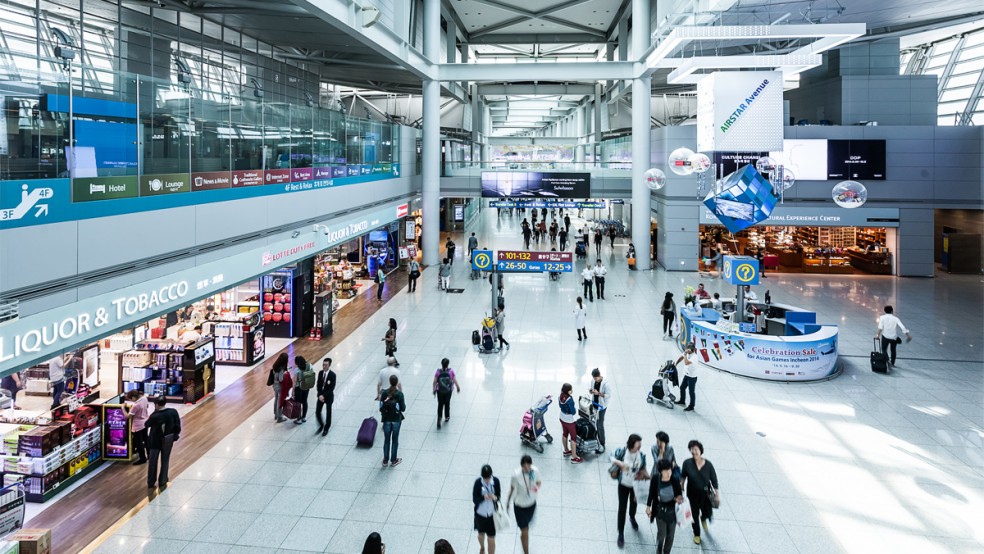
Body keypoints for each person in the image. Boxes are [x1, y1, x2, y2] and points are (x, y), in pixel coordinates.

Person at [610, 433, 647, 548]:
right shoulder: (622, 452)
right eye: (638, 444)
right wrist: (618, 463)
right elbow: (613, 458)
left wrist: (647, 479)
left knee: (634, 503)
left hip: (635, 485)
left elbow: (642, 468)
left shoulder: (641, 455)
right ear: (632, 444)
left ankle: (632, 517)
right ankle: (620, 533)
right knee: (622, 507)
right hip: (623, 484)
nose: (640, 446)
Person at [680, 440, 719, 545]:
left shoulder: (708, 465)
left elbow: (714, 481)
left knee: (706, 512)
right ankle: (697, 534)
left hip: (705, 495)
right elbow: (683, 476)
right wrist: (681, 486)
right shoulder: (687, 463)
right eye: (691, 449)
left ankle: (704, 519)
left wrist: (717, 495)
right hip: (692, 495)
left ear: (700, 451)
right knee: (694, 515)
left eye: (696, 449)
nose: (694, 451)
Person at [646, 458, 684, 554]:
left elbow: (679, 495)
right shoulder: (656, 479)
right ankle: (659, 550)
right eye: (666, 470)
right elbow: (651, 493)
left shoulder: (674, 480)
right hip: (660, 511)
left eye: (670, 470)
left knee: (670, 536)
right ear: (660, 471)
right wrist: (648, 506)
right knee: (662, 534)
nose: (668, 472)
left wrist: (678, 499)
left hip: (672, 512)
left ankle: (666, 552)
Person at [507, 455, 541, 554]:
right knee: (525, 530)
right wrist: (508, 502)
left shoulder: (535, 471)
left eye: (528, 466)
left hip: (531, 504)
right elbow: (512, 488)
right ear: (521, 466)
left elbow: (539, 482)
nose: (527, 469)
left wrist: (537, 488)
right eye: (524, 467)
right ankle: (526, 552)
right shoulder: (516, 475)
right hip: (520, 506)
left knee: (527, 527)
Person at [145, 395, 180, 488]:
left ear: (156, 404)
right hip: (168, 439)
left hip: (155, 441)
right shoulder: (173, 412)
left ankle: (151, 481)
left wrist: (154, 412)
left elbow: (146, 424)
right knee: (165, 460)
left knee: (153, 462)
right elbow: (177, 425)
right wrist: (175, 435)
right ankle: (163, 480)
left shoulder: (155, 416)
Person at [473, 464, 501, 554]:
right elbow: (474, 500)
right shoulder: (478, 483)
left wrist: (494, 497)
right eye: (485, 478)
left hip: (492, 514)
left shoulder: (496, 481)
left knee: (491, 537)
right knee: (481, 534)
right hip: (480, 514)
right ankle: (482, 547)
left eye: (488, 477)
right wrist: (483, 498)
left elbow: (499, 496)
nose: (487, 480)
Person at [380, 374, 406, 467]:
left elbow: (381, 407)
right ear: (397, 383)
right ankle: (394, 460)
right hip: (396, 420)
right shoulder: (399, 394)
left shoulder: (384, 393)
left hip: (386, 420)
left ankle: (385, 460)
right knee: (395, 440)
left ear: (390, 382)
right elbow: (403, 408)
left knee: (386, 440)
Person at [558, 383, 583, 464]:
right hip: (569, 420)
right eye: (571, 389)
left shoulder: (560, 396)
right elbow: (573, 411)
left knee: (565, 433)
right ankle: (574, 457)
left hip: (562, 417)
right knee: (573, 437)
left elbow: (560, 406)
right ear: (568, 391)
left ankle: (566, 450)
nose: (572, 391)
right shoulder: (570, 399)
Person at [433, 358, 461, 429]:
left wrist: (434, 389)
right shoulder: (451, 371)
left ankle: (439, 419)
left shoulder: (438, 372)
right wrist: (458, 387)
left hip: (440, 391)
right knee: (447, 403)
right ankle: (447, 416)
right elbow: (454, 380)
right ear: (447, 364)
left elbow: (434, 382)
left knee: (440, 404)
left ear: (441, 364)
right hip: (448, 391)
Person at [124, 389, 149, 465]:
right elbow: (147, 406)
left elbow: (128, 416)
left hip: (137, 426)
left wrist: (122, 408)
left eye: (131, 399)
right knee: (146, 439)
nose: (131, 401)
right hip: (145, 422)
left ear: (133, 397)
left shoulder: (136, 405)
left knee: (139, 443)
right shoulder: (144, 398)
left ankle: (142, 458)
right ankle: (150, 455)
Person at [590, 368, 611, 450]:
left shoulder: (606, 384)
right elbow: (591, 388)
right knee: (593, 422)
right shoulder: (593, 381)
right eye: (593, 378)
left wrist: (598, 393)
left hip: (601, 407)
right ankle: (594, 439)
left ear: (599, 376)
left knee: (600, 425)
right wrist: (591, 391)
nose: (594, 380)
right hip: (594, 404)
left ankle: (602, 443)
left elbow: (608, 395)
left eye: (595, 378)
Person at [315, 358, 336, 436]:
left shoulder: (332, 375)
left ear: (329, 365)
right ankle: (321, 424)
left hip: (328, 396)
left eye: (326, 365)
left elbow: (332, 388)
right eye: (323, 365)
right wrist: (320, 395)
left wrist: (324, 396)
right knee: (317, 412)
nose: (324, 366)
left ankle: (326, 428)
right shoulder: (320, 373)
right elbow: (318, 385)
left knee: (328, 412)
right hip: (320, 396)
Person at [674, 344, 698, 412]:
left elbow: (686, 362)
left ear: (690, 350)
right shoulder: (687, 353)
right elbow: (681, 357)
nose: (685, 350)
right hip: (687, 375)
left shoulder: (694, 357)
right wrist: (676, 363)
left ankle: (691, 406)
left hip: (692, 377)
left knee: (691, 392)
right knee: (682, 388)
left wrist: (685, 354)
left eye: (687, 349)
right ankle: (682, 401)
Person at [293, 355, 314, 424]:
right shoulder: (309, 365)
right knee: (305, 401)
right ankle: (304, 417)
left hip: (299, 388)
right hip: (307, 386)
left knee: (298, 403)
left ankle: (298, 419)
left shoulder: (297, 370)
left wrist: (293, 390)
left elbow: (295, 381)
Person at [269, 353, 289, 422]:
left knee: (276, 399)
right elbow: (281, 379)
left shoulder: (275, 365)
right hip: (280, 387)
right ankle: (279, 417)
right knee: (280, 401)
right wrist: (285, 374)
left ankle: (275, 414)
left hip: (275, 385)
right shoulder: (281, 368)